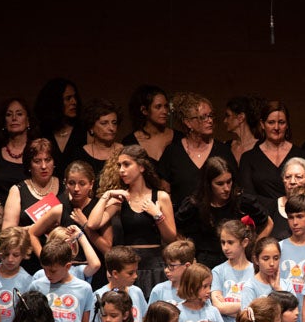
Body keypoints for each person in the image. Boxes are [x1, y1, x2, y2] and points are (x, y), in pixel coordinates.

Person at [86, 146, 176, 296]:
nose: (121, 170)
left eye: (126, 164)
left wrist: (157, 215)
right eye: (119, 165)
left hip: (154, 265)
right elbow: (92, 224)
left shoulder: (161, 197)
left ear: (141, 167)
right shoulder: (121, 198)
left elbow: (171, 238)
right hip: (128, 266)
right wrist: (107, 195)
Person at [158, 93, 236, 212]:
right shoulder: (173, 152)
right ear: (188, 122)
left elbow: (235, 188)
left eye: (210, 116)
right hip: (183, 219)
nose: (210, 120)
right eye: (203, 117)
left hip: (219, 218)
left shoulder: (222, 150)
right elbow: (164, 193)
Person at [121, 85, 173, 164]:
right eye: (158, 107)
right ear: (144, 110)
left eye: (166, 106)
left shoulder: (179, 138)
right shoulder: (130, 142)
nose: (165, 111)